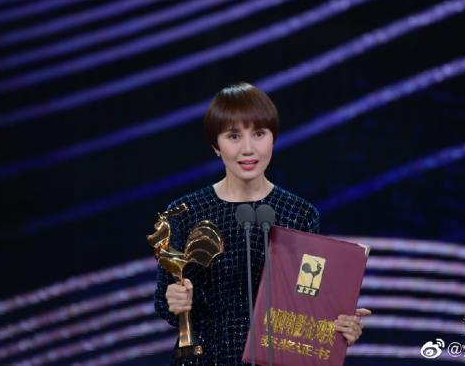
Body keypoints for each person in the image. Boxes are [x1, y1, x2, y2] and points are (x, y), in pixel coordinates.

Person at [154, 82, 370, 365]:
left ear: (273, 138)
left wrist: (338, 328)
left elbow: (305, 305)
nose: (248, 149)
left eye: (259, 134)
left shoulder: (299, 213)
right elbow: (164, 303)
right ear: (215, 145)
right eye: (233, 136)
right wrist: (176, 302)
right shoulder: (184, 213)